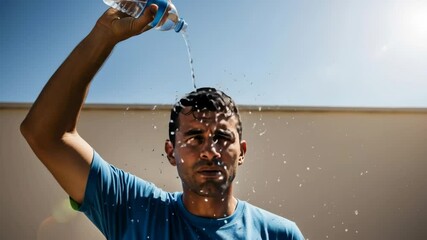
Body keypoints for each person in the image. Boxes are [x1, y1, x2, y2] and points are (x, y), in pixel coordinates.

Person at [20, 5, 304, 240]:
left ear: (242, 151)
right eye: (194, 137)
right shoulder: (134, 208)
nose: (209, 150)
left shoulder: (279, 234)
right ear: (171, 152)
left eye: (221, 137)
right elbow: (45, 135)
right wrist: (103, 36)